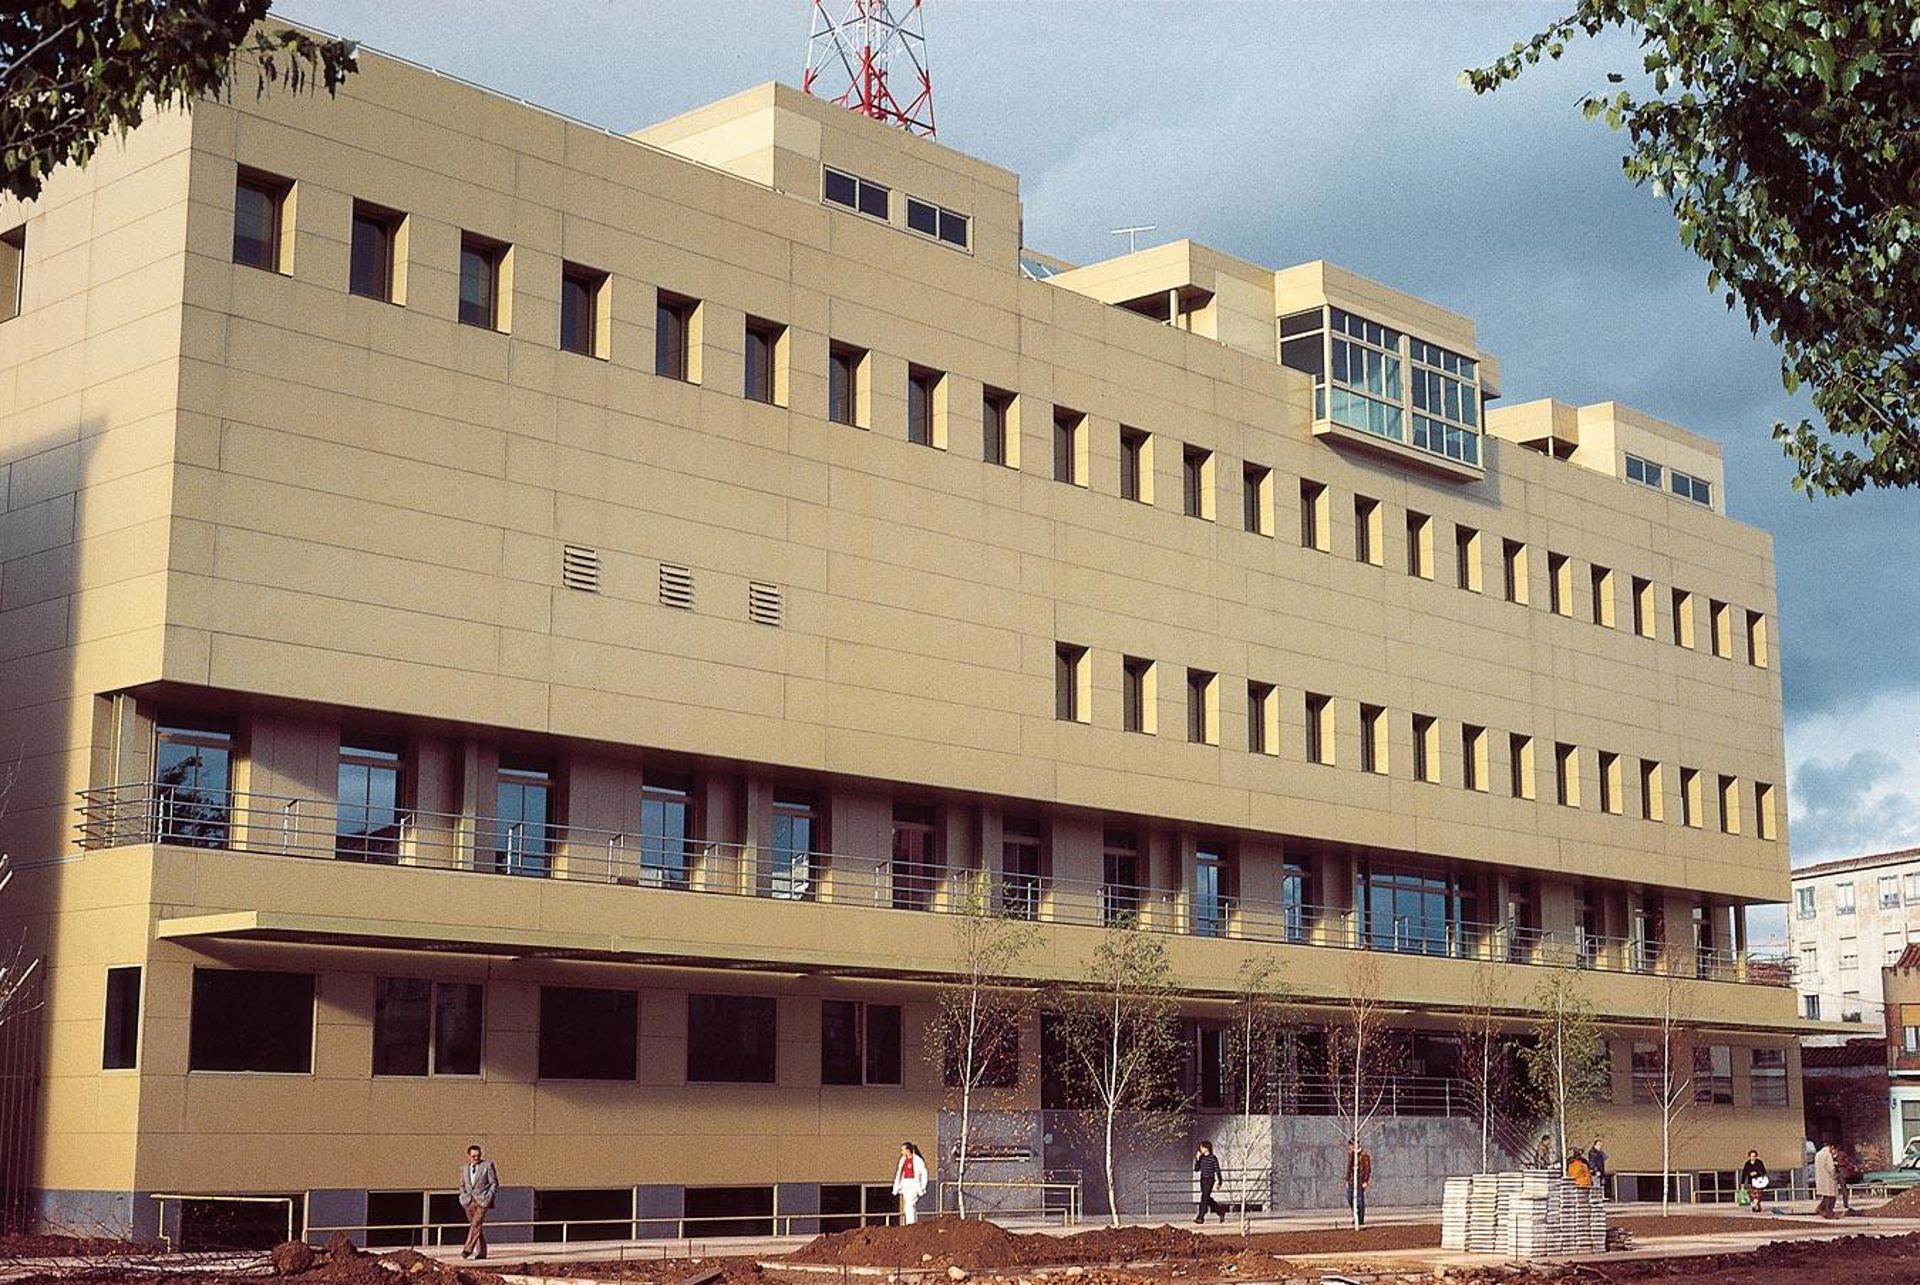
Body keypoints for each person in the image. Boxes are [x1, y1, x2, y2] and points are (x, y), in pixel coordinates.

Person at [458, 1143, 498, 1260]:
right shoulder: (464, 1169)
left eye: (478, 1156)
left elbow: (494, 1183)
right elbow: (462, 1184)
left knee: (475, 1224)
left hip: (482, 1201)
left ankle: (467, 1250)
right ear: (469, 1156)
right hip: (468, 1201)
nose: (476, 1158)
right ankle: (482, 1252)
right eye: (474, 1156)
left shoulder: (487, 1166)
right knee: (475, 1227)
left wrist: (489, 1196)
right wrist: (463, 1195)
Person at [893, 1141, 930, 1226]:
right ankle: (910, 1223)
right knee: (907, 1205)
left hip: (914, 1183)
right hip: (906, 1183)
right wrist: (897, 1185)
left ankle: (911, 1224)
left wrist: (922, 1186)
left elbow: (924, 1173)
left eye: (903, 1150)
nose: (901, 1152)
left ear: (908, 1150)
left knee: (910, 1203)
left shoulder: (917, 1160)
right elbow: (900, 1172)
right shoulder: (903, 1160)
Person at [1193, 1140, 1226, 1224]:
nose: (1200, 1149)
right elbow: (1196, 1169)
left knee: (1204, 1197)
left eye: (1202, 1147)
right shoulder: (1201, 1158)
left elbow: (1217, 1170)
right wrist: (1197, 1159)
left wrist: (1220, 1181)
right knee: (1206, 1198)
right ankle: (1220, 1211)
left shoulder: (1213, 1158)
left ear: (1207, 1148)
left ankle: (1200, 1217)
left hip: (1210, 1179)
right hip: (1203, 1179)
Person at [1345, 1140, 1372, 1226]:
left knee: (1359, 1199)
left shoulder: (1364, 1155)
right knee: (1350, 1197)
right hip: (1352, 1180)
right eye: (1350, 1145)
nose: (1351, 1147)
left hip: (1360, 1179)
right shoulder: (1351, 1154)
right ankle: (1355, 1215)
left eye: (1353, 1145)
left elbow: (1367, 1169)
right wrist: (1347, 1179)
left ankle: (1360, 1218)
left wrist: (1365, 1181)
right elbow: (1349, 1167)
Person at [1814, 1140, 1841, 1218]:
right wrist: (1835, 1175)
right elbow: (1830, 1168)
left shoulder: (1818, 1154)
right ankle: (1828, 1212)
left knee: (1826, 1195)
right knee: (1831, 1196)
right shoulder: (1827, 1154)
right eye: (1835, 1150)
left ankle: (1820, 1208)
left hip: (1820, 1178)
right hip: (1828, 1178)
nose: (1835, 1153)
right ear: (1832, 1147)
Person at [1739, 1149, 1770, 1214]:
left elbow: (1763, 1171)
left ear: (1756, 1156)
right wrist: (1742, 1183)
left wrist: (1756, 1173)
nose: (1753, 1157)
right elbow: (1744, 1173)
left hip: (1758, 1181)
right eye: (1751, 1156)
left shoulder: (1759, 1162)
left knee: (1758, 1195)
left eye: (1754, 1156)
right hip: (1751, 1182)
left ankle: (1755, 1206)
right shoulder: (1747, 1164)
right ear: (1749, 1156)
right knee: (1753, 1195)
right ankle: (1756, 1207)